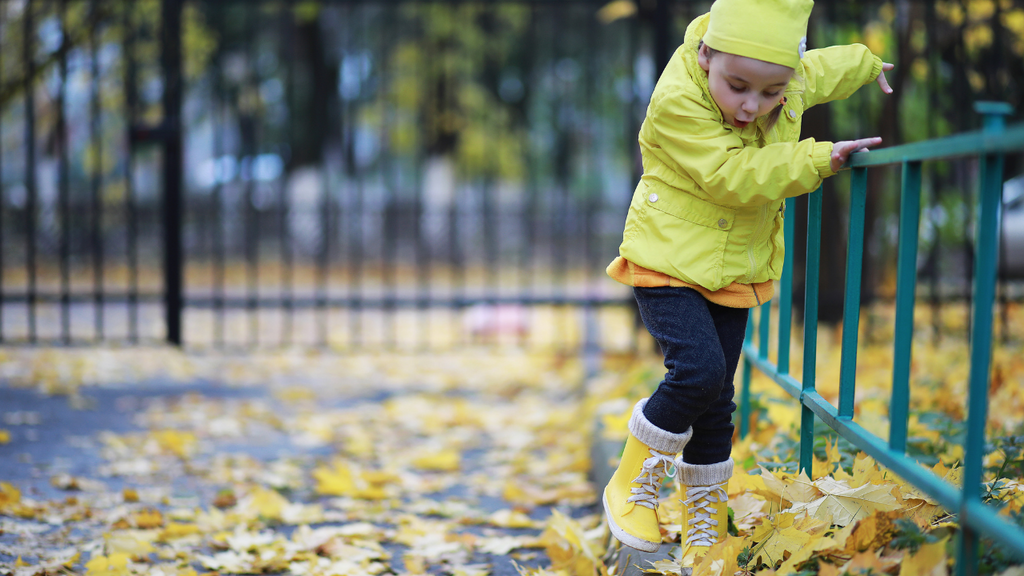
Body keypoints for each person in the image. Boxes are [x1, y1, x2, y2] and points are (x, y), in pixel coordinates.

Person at [601, 0, 894, 564]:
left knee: (718, 400)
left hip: (732, 267)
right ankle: (630, 480)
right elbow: (729, 175)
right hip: (668, 260)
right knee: (699, 373)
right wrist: (816, 159)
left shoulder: (781, 78)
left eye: (771, 93)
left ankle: (703, 527)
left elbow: (818, 73)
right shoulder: (678, 100)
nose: (752, 106)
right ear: (707, 53)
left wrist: (867, 62)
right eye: (737, 87)